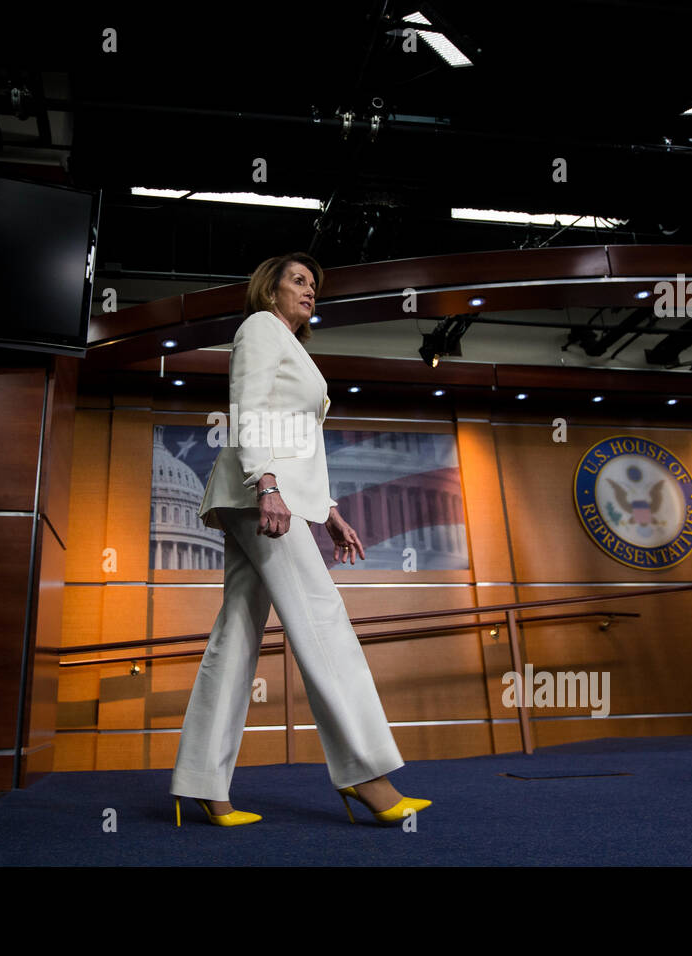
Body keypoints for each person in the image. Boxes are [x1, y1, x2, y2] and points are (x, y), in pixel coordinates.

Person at [170, 252, 431, 827]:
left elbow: (301, 439)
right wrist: (267, 484)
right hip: (261, 495)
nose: (309, 290)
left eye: (314, 284)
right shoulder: (259, 328)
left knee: (236, 636)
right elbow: (249, 410)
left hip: (269, 496)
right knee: (322, 621)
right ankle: (366, 776)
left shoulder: (294, 346)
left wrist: (331, 511)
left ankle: (201, 784)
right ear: (270, 290)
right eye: (298, 280)